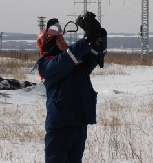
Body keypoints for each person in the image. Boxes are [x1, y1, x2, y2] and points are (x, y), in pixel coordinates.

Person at [33, 13, 107, 163]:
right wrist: (86, 39)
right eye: (58, 40)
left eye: (62, 38)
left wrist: (99, 35)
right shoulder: (47, 65)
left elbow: (97, 54)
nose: (63, 41)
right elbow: (67, 59)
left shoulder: (77, 61)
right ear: (49, 45)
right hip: (60, 126)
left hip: (79, 123)